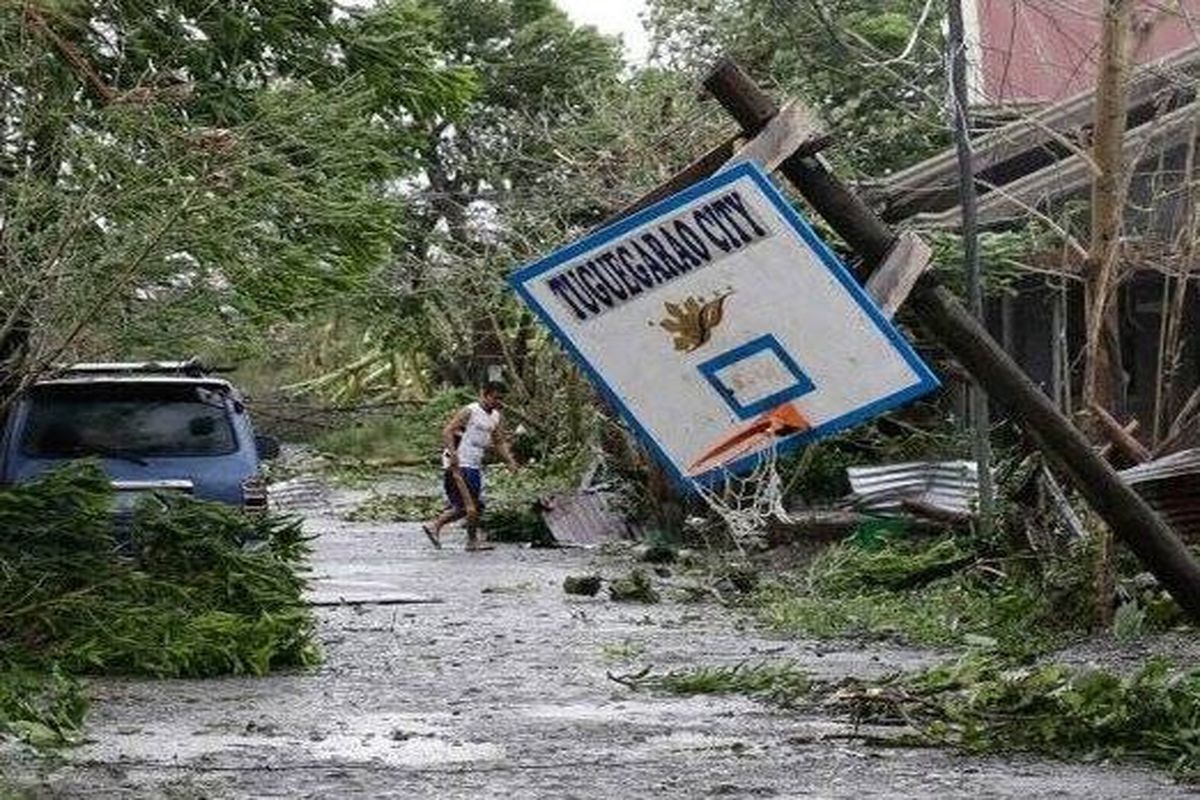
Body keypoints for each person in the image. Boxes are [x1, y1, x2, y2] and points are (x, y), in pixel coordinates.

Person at [422, 381, 519, 550]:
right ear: (485, 395)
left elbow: (499, 441)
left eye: (502, 399)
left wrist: (510, 461)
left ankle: (435, 526)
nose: (498, 402)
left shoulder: (495, 416)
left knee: (472, 507)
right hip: (459, 463)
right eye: (495, 398)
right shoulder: (470, 411)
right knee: (470, 507)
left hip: (474, 464)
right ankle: (471, 542)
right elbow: (448, 431)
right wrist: (453, 455)